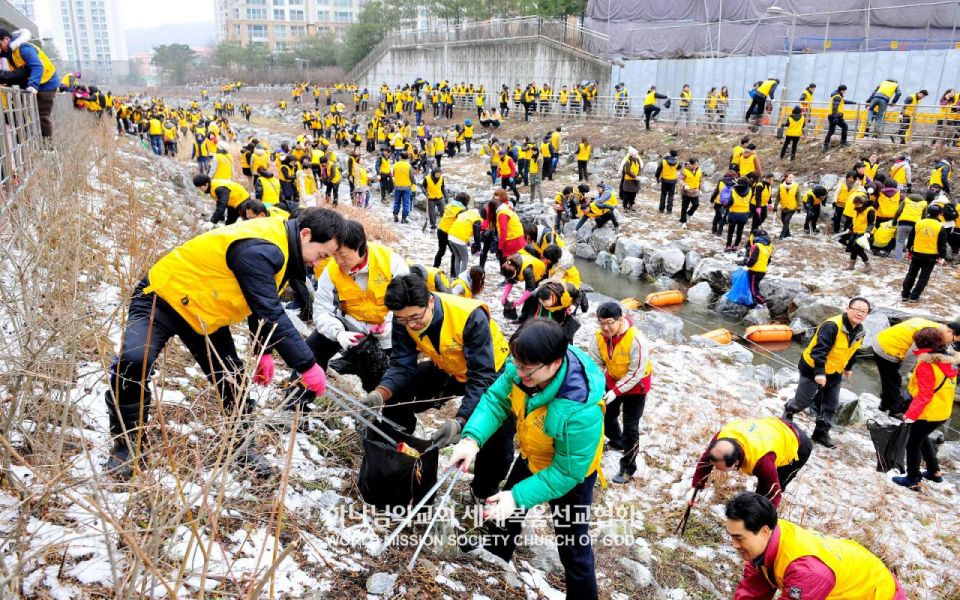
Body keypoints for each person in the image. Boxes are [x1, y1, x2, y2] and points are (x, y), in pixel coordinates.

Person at [104, 208, 342, 478]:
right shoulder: (263, 248)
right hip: (162, 298)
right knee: (133, 361)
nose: (318, 263)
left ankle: (242, 447)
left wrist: (262, 351)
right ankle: (126, 445)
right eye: (321, 255)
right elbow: (269, 310)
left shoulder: (284, 248)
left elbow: (258, 299)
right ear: (306, 234)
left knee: (232, 379)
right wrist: (307, 365)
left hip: (205, 314)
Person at [449, 318, 605, 600]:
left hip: (570, 475)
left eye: (526, 369)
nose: (519, 373)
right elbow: (496, 400)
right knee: (506, 512)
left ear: (555, 364)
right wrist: (472, 439)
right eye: (516, 364)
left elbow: (567, 472)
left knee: (572, 543)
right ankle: (496, 557)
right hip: (533, 455)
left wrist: (518, 496)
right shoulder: (522, 366)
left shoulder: (581, 408)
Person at [363, 274, 515, 499]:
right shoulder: (403, 317)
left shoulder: (470, 317)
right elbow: (402, 364)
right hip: (447, 366)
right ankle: (398, 455)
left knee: (497, 436)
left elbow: (481, 378)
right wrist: (380, 394)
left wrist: (461, 421)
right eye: (404, 320)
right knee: (398, 396)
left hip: (492, 373)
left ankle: (482, 491)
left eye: (416, 317)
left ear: (430, 301)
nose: (411, 325)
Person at [724, 492, 907, 599]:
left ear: (764, 531)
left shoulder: (805, 570)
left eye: (739, 538)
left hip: (877, 593)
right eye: (731, 536)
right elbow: (752, 592)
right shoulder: (765, 543)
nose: (734, 544)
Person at [307, 221, 409, 384]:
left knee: (387, 377)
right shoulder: (332, 270)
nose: (338, 261)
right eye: (334, 255)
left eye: (343, 255)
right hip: (350, 325)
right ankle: (300, 396)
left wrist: (393, 324)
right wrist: (338, 333)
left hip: (387, 330)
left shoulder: (391, 262)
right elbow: (322, 309)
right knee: (310, 352)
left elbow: (408, 303)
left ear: (360, 247)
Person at [783, 297, 870, 448]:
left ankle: (821, 433)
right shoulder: (832, 326)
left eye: (864, 311)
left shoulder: (860, 331)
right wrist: (819, 373)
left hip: (834, 371)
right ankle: (788, 411)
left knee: (831, 404)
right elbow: (819, 351)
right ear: (848, 309)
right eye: (857, 309)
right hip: (813, 368)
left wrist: (848, 367)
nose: (860, 313)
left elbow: (853, 350)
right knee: (803, 401)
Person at [589, 301, 651, 484]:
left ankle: (628, 468)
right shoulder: (599, 337)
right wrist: (599, 383)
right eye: (601, 323)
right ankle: (617, 441)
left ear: (620, 319)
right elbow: (596, 362)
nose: (605, 328)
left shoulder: (636, 340)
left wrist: (616, 391)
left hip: (636, 387)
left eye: (609, 323)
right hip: (612, 381)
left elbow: (636, 372)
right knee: (607, 416)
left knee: (631, 427)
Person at [892, 327, 959, 491]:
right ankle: (934, 472)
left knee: (912, 444)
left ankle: (913, 479)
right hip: (942, 410)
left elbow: (925, 394)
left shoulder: (927, 365)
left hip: (927, 412)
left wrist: (910, 415)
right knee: (922, 437)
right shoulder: (949, 361)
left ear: (922, 344)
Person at [691, 417, 812, 507]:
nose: (716, 469)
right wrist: (695, 489)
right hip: (776, 425)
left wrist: (759, 521)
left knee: (772, 486)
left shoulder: (761, 461)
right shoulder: (721, 441)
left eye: (720, 468)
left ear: (736, 463)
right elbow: (705, 462)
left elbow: (773, 494)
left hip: (797, 442)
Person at [872, 319, 959, 414]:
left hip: (884, 339)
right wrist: (902, 373)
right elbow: (912, 356)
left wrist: (954, 354)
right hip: (887, 348)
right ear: (949, 331)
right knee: (894, 382)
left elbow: (946, 347)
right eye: (953, 341)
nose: (950, 344)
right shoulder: (927, 336)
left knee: (890, 382)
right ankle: (895, 410)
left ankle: (884, 405)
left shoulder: (937, 328)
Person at [0, 28, 58, 138]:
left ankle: (46, 145)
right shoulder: (8, 53)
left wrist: (33, 85)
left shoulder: (23, 48)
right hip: (31, 81)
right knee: (24, 112)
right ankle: (29, 139)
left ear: (6, 39)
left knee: (41, 116)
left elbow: (37, 66)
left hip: (46, 83)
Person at [901, 203, 947, 302]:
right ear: (939, 214)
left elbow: (911, 238)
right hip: (931, 256)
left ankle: (905, 294)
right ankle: (914, 297)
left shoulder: (919, 223)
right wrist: (942, 256)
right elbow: (942, 244)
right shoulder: (940, 226)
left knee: (911, 274)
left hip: (917, 253)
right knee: (924, 277)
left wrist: (909, 249)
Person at [500, 252, 546, 322]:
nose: (513, 278)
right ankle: (523, 317)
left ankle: (530, 320)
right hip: (530, 275)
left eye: (513, 277)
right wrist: (504, 296)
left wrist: (520, 301)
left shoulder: (526, 270)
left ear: (515, 271)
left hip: (540, 274)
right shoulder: (509, 265)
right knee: (527, 296)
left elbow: (531, 288)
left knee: (533, 298)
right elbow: (509, 281)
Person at [447, 203, 482, 276]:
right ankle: (461, 278)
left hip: (450, 236)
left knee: (457, 257)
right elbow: (477, 236)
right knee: (465, 259)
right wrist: (478, 248)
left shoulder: (465, 213)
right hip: (459, 239)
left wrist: (467, 240)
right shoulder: (476, 218)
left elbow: (463, 227)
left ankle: (457, 276)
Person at [845, 193, 875, 272]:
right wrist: (849, 228)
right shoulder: (856, 209)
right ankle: (851, 265)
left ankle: (868, 266)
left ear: (863, 203)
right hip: (856, 232)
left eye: (858, 204)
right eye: (855, 204)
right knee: (853, 248)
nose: (856, 205)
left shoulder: (870, 210)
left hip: (865, 233)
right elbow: (855, 220)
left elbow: (871, 223)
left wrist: (868, 232)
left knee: (858, 248)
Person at [744, 230, 773, 306]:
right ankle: (754, 303)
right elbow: (769, 260)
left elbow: (752, 259)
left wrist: (747, 264)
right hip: (762, 271)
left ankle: (762, 303)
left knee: (753, 290)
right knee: (755, 287)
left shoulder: (756, 245)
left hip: (755, 271)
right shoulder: (767, 248)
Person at [724, 177, 752, 252]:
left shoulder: (733, 190)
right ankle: (736, 246)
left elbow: (730, 202)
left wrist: (725, 205)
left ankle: (728, 246)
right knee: (740, 231)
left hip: (733, 214)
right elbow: (750, 202)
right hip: (744, 214)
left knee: (730, 231)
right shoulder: (750, 191)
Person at [823, 85, 849, 150]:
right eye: (844, 91)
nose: (845, 92)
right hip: (836, 116)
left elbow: (843, 101)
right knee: (845, 127)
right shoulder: (837, 97)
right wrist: (835, 118)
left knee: (831, 131)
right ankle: (843, 142)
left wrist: (853, 102)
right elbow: (835, 107)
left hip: (832, 115)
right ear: (842, 90)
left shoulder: (837, 96)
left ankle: (825, 145)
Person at [773, 173, 798, 239]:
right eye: (790, 177)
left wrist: (799, 206)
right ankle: (788, 234)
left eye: (792, 177)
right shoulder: (781, 186)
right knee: (783, 220)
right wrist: (775, 206)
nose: (791, 179)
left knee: (786, 220)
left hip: (792, 207)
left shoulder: (796, 186)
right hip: (784, 207)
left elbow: (798, 197)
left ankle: (782, 235)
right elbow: (778, 197)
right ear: (786, 178)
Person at [679, 157, 702, 227]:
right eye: (694, 165)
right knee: (684, 207)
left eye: (697, 164)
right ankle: (683, 222)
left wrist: (700, 189)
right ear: (690, 164)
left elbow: (700, 180)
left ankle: (689, 214)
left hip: (695, 192)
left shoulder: (699, 170)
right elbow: (680, 179)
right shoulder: (685, 170)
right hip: (686, 192)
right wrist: (684, 185)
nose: (696, 166)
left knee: (696, 204)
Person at [655, 149, 680, 214]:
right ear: (676, 155)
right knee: (671, 196)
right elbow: (679, 167)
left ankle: (661, 209)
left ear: (670, 153)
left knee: (663, 195)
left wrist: (657, 178)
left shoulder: (664, 161)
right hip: (672, 181)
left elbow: (658, 170)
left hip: (664, 180)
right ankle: (669, 210)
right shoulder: (677, 162)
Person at [391, 152, 413, 223]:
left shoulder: (395, 165)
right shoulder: (409, 166)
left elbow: (393, 175)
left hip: (397, 186)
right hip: (406, 187)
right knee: (406, 203)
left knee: (397, 202)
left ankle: (395, 214)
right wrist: (414, 183)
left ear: (400, 157)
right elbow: (412, 177)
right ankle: (404, 218)